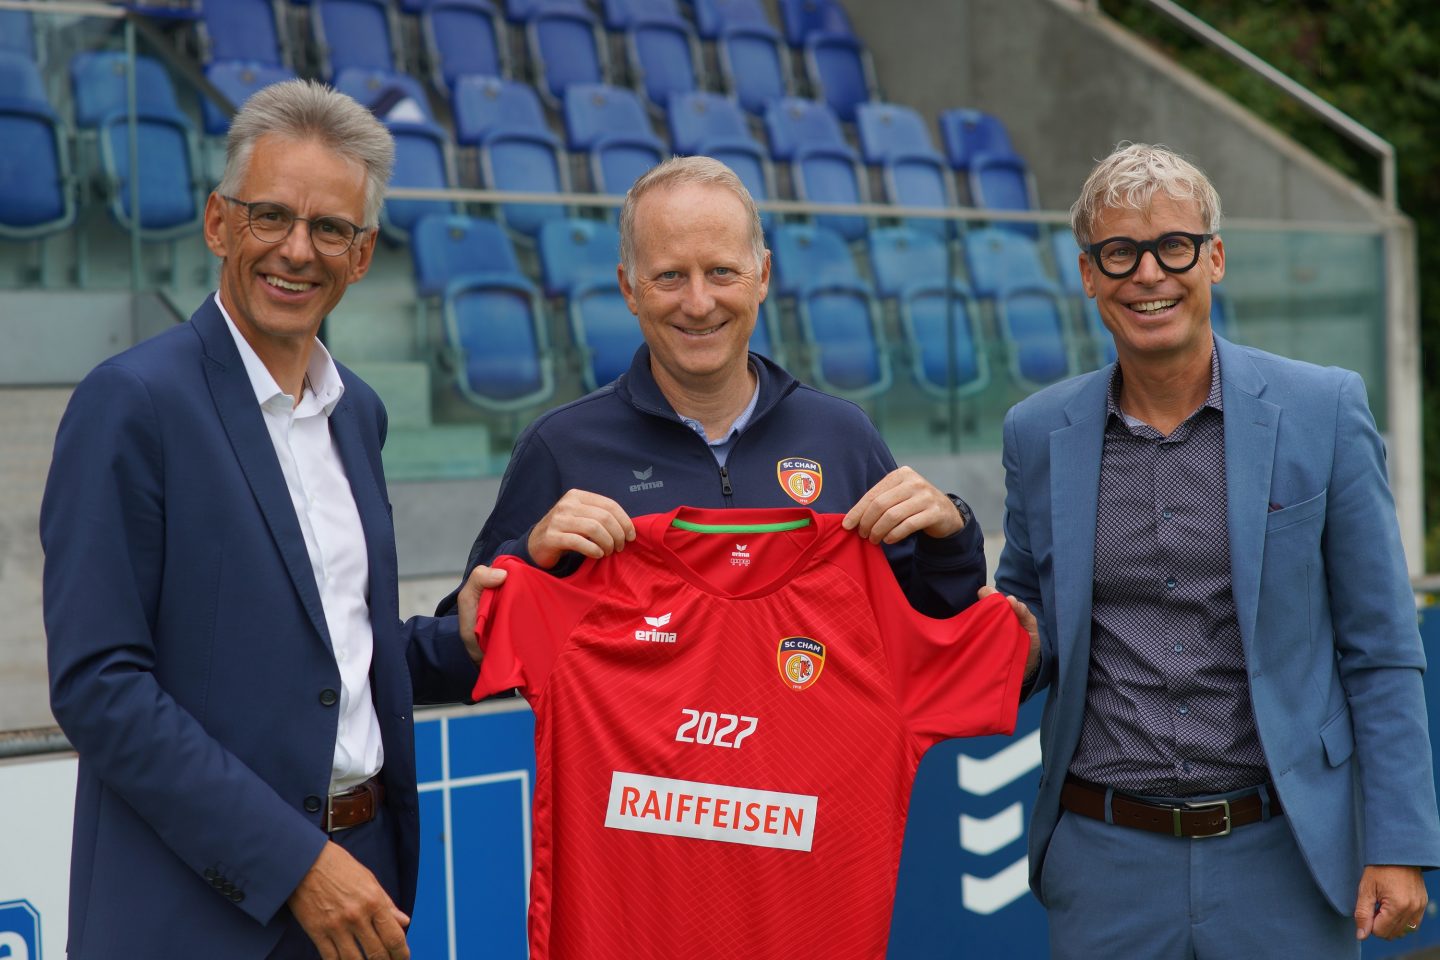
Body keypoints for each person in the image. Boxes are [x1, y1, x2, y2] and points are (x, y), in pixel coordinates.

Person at [41, 80, 496, 960]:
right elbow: (102, 685)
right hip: (202, 905)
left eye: (330, 228)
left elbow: (332, 651)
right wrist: (295, 865)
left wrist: (464, 639)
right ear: (218, 223)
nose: (298, 250)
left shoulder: (356, 411)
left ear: (361, 255)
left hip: (365, 885)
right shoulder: (132, 402)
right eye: (270, 217)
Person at [993, 142, 1440, 958]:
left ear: (1215, 257)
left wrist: (1402, 841)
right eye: (1118, 253)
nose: (1149, 275)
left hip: (1285, 854)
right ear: (1088, 274)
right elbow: (1026, 635)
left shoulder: (1324, 410)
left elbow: (1382, 646)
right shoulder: (1035, 433)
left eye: (1174, 247)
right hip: (1105, 861)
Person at [438, 155, 985, 622]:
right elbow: (468, 644)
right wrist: (529, 559)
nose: (699, 304)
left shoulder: (842, 435)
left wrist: (951, 535)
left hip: (816, 749)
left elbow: (924, 624)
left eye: (722, 272)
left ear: (764, 276)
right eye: (670, 276)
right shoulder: (561, 447)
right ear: (629, 287)